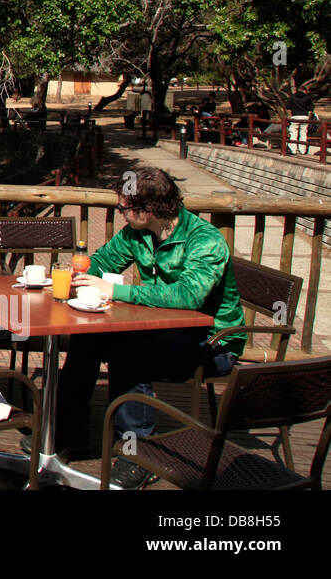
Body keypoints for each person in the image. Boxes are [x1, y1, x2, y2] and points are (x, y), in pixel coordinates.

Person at [56, 166, 244, 489]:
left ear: (147, 211)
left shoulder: (205, 241)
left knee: (129, 353)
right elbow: (104, 261)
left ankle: (140, 454)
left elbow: (188, 295)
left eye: (123, 209)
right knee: (89, 338)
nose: (121, 214)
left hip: (213, 341)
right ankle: (68, 435)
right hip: (166, 329)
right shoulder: (138, 234)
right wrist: (84, 275)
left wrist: (114, 291)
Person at [288, 84, 312, 155]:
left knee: (293, 133)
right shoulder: (307, 97)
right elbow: (310, 107)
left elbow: (288, 106)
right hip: (304, 116)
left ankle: (293, 150)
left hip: (295, 116)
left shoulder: (292, 97)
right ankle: (302, 150)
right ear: (304, 91)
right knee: (303, 133)